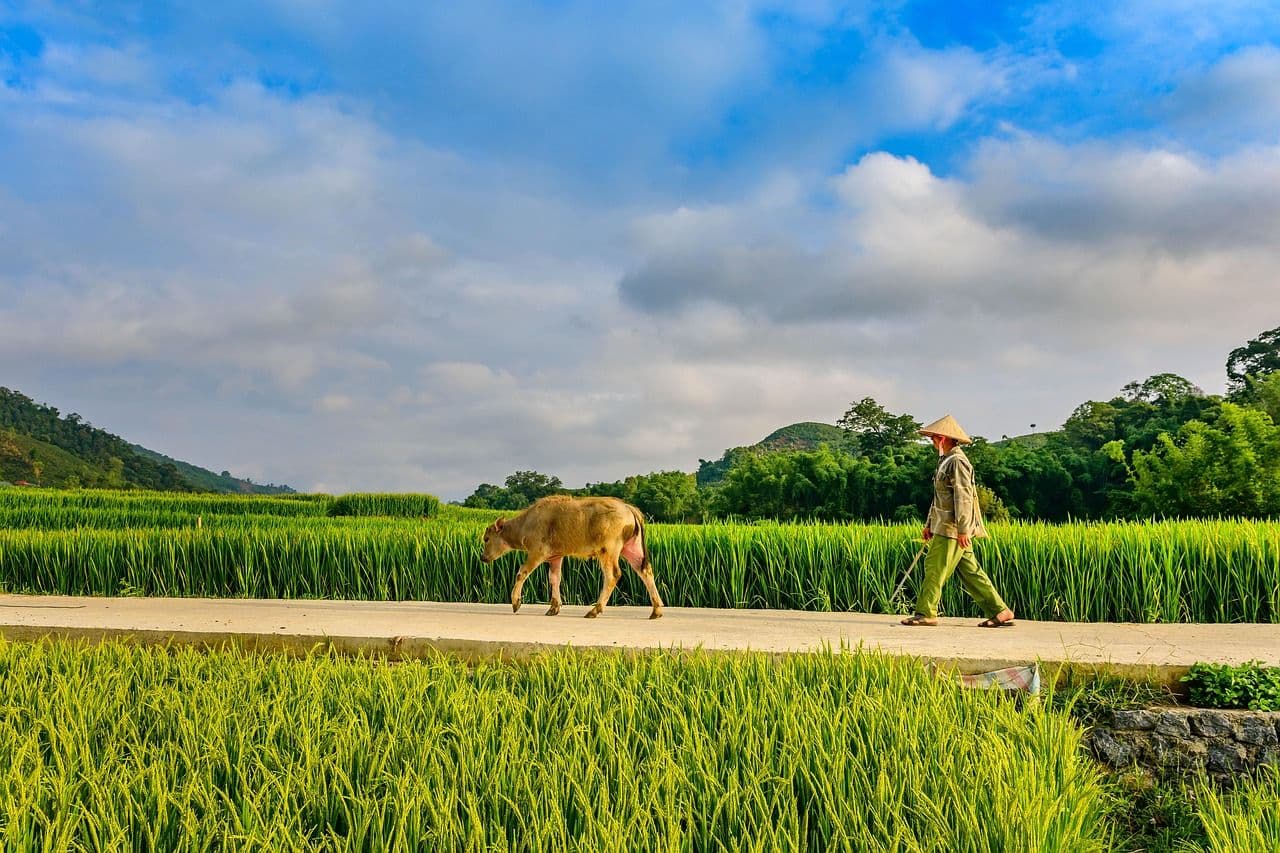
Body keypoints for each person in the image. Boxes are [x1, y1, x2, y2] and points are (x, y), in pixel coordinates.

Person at [900, 414, 1015, 628]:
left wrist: (963, 529)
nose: (932, 442)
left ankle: (926, 612)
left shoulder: (957, 461)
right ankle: (1001, 611)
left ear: (943, 438)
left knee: (934, 567)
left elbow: (963, 497)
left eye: (934, 438)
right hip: (945, 525)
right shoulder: (946, 461)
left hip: (952, 529)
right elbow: (940, 499)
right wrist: (929, 525)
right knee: (970, 572)